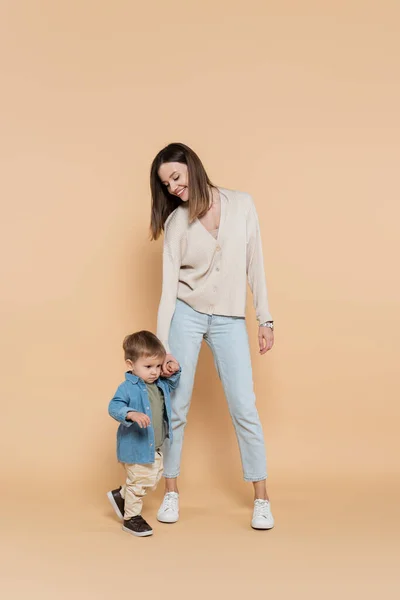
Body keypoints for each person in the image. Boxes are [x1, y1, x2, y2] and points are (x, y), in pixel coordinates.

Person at [150, 142, 275, 530]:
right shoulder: (176, 224)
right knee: (178, 406)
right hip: (185, 314)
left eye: (175, 176)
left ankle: (262, 500)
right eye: (165, 184)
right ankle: (171, 492)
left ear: (192, 167)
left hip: (229, 318)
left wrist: (265, 318)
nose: (172, 187)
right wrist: (162, 348)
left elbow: (256, 261)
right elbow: (168, 290)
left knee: (244, 406)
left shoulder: (242, 205)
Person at [107, 330, 180, 537]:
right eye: (148, 367)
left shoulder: (159, 384)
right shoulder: (127, 388)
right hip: (136, 446)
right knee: (139, 483)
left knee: (152, 478)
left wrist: (174, 368)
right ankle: (131, 519)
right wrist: (130, 413)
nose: (154, 372)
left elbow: (173, 381)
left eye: (157, 366)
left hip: (153, 446)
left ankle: (121, 496)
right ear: (131, 365)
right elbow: (114, 406)